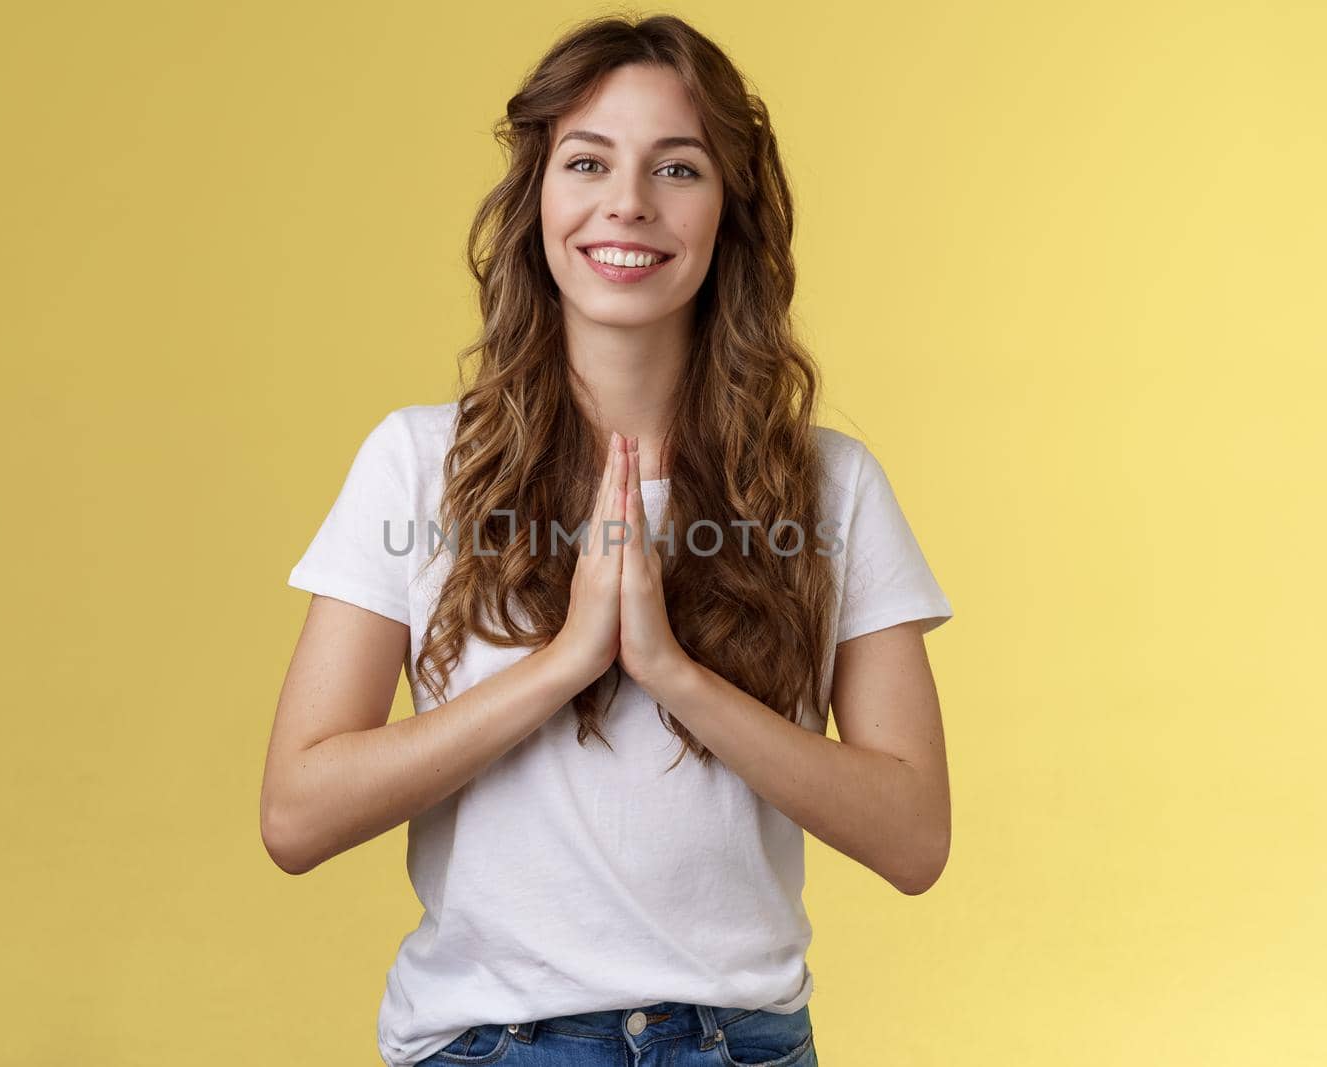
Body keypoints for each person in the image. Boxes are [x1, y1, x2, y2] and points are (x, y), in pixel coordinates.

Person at [261, 14, 954, 1067]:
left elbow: (914, 837)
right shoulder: (417, 463)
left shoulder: (829, 488)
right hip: (488, 1044)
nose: (626, 202)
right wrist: (565, 664)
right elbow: (296, 815)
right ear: (539, 194)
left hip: (743, 1045)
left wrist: (673, 672)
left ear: (729, 212)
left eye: (676, 167)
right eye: (587, 161)